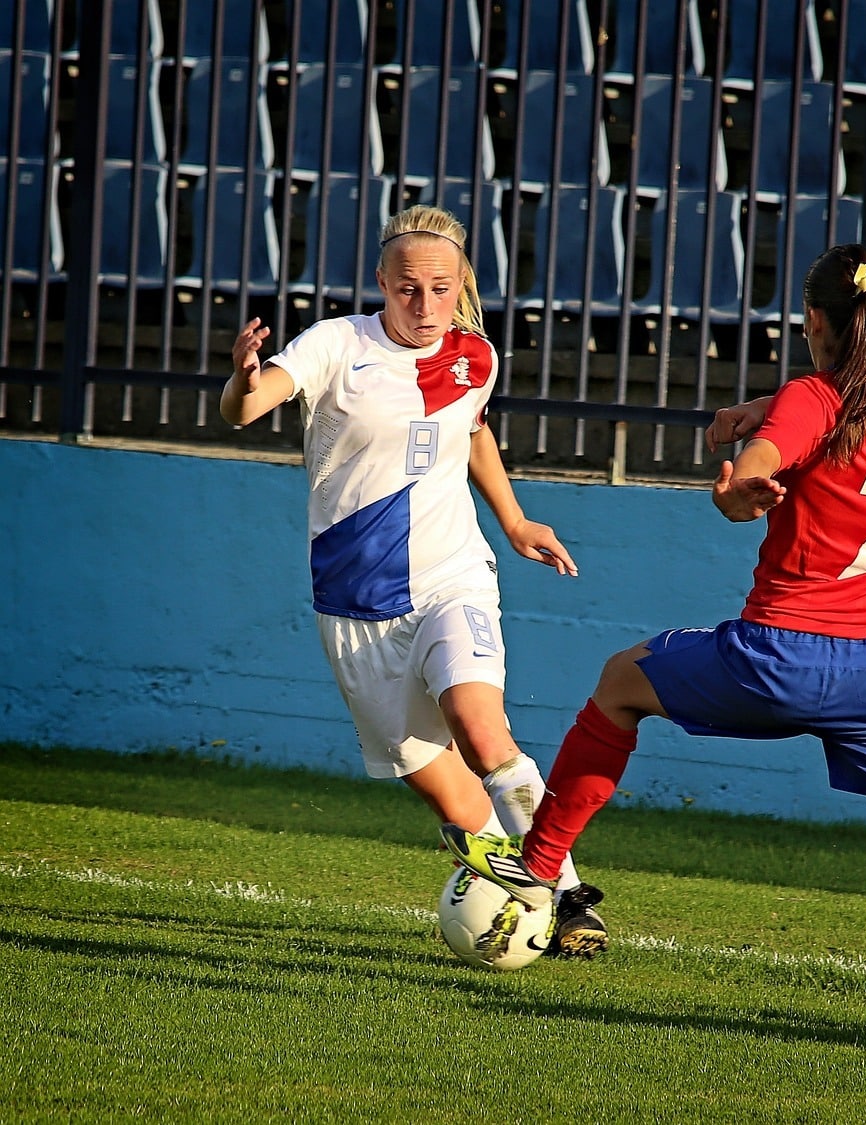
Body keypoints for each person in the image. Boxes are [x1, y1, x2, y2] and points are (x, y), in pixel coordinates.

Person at [441, 243, 866, 1037]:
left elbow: (770, 458)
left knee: (619, 682)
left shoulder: (810, 396)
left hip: (784, 654)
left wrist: (743, 483)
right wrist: (763, 413)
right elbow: (835, 412)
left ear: (812, 321)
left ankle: (537, 868)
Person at [219, 203, 608, 957]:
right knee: (451, 797)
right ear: (381, 283)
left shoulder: (475, 357)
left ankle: (563, 898)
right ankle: (526, 904)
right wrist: (242, 380)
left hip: (451, 576)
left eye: (438, 288)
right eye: (406, 289)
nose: (423, 305)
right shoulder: (338, 344)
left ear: (459, 282)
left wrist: (517, 521)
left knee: (480, 725)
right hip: (356, 606)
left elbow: (472, 430)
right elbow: (250, 405)